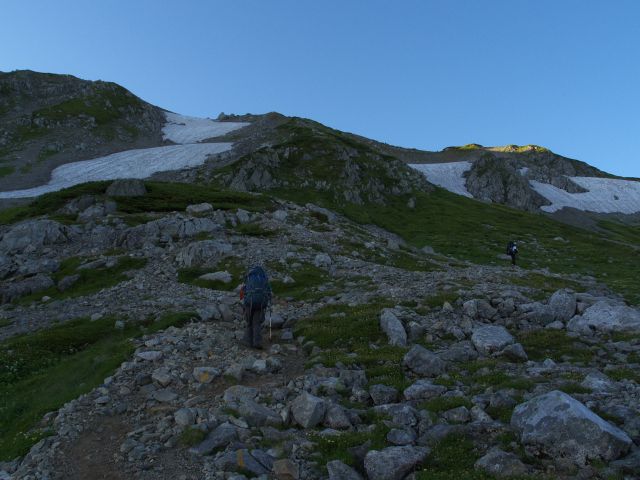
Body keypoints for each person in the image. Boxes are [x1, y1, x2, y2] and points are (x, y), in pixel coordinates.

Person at [240, 266, 272, 349]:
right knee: (257, 323)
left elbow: (243, 291)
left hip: (249, 303)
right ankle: (257, 342)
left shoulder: (249, 278)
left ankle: (247, 341)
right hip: (261, 304)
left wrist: (243, 301)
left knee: (249, 322)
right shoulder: (263, 279)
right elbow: (269, 292)